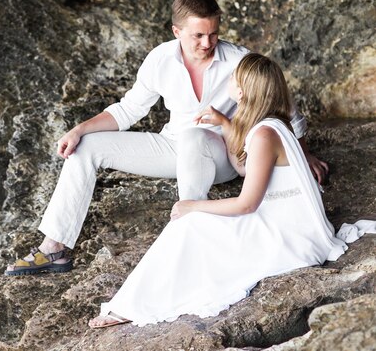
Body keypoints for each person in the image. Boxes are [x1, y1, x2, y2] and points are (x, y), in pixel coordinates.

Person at [4, 0, 328, 276]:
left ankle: (188, 238)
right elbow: (128, 110)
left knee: (194, 136)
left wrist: (301, 153)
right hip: (172, 146)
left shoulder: (239, 60)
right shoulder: (160, 60)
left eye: (214, 34)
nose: (208, 43)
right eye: (198, 35)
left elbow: (282, 103)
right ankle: (54, 250)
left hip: (223, 153)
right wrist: (79, 129)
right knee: (86, 146)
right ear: (177, 31)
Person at [88, 53, 366, 328]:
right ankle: (132, 302)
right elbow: (244, 167)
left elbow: (247, 204)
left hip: (287, 236)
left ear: (242, 91)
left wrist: (193, 205)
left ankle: (130, 306)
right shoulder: (271, 125)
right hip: (284, 222)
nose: (229, 80)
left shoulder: (264, 134)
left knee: (189, 224)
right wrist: (224, 123)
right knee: (193, 228)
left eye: (233, 77)